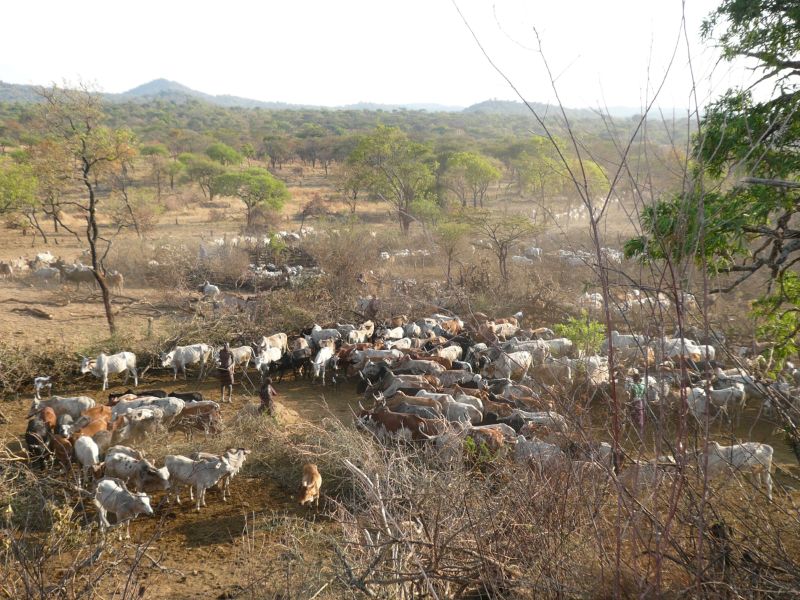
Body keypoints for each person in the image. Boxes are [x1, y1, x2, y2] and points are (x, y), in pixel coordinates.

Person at [626, 370, 646, 436]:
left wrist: (629, 402)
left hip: (634, 402)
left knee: (630, 417)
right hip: (641, 402)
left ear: (633, 379)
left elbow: (632, 396)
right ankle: (641, 433)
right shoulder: (643, 386)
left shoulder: (633, 386)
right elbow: (644, 395)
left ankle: (628, 434)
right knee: (640, 418)